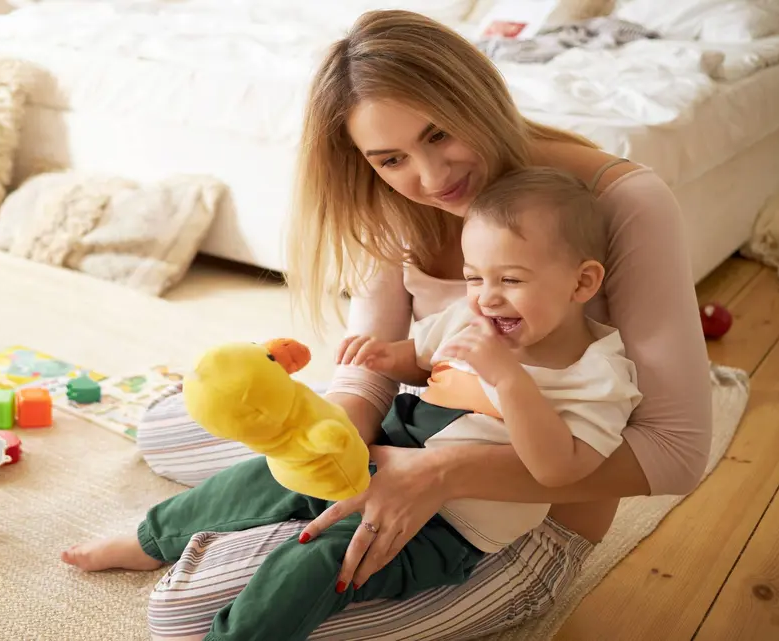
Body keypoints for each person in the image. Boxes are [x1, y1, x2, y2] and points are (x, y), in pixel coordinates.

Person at [134, 9, 712, 640]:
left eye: (440, 134)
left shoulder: (617, 202)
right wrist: (342, 437)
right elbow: (370, 368)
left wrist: (439, 474)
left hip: (509, 522)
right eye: (391, 158)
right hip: (409, 438)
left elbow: (677, 454)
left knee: (182, 615)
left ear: (478, 96)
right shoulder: (394, 196)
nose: (432, 179)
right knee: (164, 429)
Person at [62, 168, 644, 641]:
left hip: (446, 529)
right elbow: (426, 358)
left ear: (582, 282)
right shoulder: (473, 315)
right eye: (474, 277)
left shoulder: (598, 375)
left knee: (316, 562)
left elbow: (560, 469)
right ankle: (149, 540)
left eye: (511, 280)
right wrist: (389, 358)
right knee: (264, 476)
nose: (487, 299)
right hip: (378, 451)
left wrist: (510, 379)